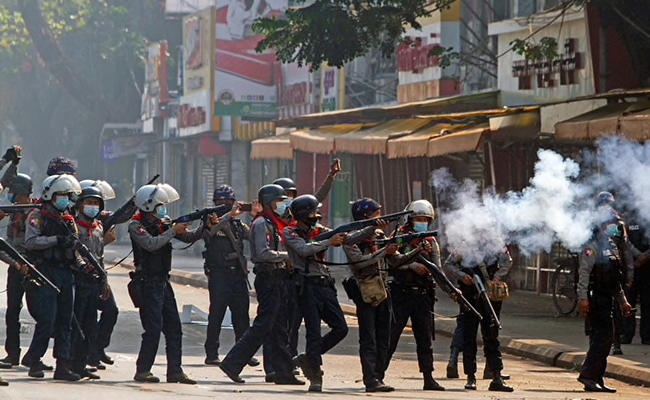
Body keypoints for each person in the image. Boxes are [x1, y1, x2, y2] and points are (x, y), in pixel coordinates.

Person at [219, 184, 304, 386]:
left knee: (280, 328)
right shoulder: (261, 224)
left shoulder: (274, 223)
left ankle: (283, 372)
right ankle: (232, 363)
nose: (282, 205)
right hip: (268, 277)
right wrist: (287, 255)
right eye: (278, 201)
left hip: (278, 276)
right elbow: (263, 253)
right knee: (263, 325)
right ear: (268, 203)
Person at [129, 183, 204, 384]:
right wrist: (172, 231)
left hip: (163, 281)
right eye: (159, 205)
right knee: (153, 329)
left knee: (174, 328)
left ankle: (175, 371)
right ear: (148, 205)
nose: (162, 209)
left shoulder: (165, 223)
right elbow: (151, 244)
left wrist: (206, 224)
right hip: (147, 283)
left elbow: (189, 237)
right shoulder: (136, 226)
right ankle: (143, 370)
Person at [283, 194, 353, 392]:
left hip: (325, 286)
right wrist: (328, 242)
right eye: (313, 212)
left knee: (341, 328)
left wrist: (371, 228)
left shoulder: (320, 231)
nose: (317, 215)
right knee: (313, 332)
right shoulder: (290, 232)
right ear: (303, 214)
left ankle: (307, 357)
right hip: (307, 287)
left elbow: (349, 238)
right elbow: (304, 249)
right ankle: (314, 374)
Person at [23, 174, 83, 381]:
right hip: (45, 271)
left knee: (65, 320)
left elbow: (74, 243)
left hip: (66, 272)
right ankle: (35, 360)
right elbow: (30, 242)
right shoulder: (37, 215)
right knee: (47, 320)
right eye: (61, 195)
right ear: (50, 195)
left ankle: (62, 365)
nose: (65, 199)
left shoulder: (68, 217)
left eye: (67, 195)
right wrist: (55, 240)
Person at [342, 198, 405, 392]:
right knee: (369, 337)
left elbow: (395, 260)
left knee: (384, 337)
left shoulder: (378, 235)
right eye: (375, 214)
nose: (380, 217)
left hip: (383, 289)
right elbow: (360, 261)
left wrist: (416, 250)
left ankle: (379, 376)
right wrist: (384, 251)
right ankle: (370, 379)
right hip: (365, 291)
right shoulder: (350, 238)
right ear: (365, 217)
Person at [385, 199, 446, 391]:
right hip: (402, 293)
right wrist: (413, 266)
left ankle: (428, 377)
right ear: (410, 219)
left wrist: (451, 290)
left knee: (424, 339)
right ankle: (377, 375)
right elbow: (392, 260)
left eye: (425, 219)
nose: (422, 222)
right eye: (418, 218)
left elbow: (437, 268)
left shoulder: (431, 241)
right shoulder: (399, 236)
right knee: (391, 335)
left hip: (423, 295)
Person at [576, 195, 633, 393]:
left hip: (607, 297)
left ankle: (596, 378)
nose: (615, 227)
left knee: (604, 338)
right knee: (603, 337)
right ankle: (588, 375)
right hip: (595, 297)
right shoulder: (591, 247)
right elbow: (584, 273)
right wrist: (583, 298)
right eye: (610, 224)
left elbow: (614, 278)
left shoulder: (612, 246)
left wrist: (623, 301)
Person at [203, 185, 261, 367]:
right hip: (219, 274)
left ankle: (243, 353)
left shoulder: (237, 224)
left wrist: (256, 217)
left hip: (237, 274)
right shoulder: (210, 221)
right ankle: (211, 353)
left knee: (241, 316)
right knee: (216, 315)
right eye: (221, 202)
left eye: (229, 202)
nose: (225, 205)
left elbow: (253, 236)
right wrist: (227, 215)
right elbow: (208, 233)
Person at [443, 248, 514, 392]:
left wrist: (497, 277)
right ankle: (471, 377)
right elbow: (448, 264)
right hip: (470, 296)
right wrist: (463, 276)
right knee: (469, 337)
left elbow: (507, 261)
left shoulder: (495, 243)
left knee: (492, 336)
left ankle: (496, 377)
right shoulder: (464, 244)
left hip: (490, 295)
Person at [70, 185, 114, 379]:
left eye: (96, 203)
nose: (92, 206)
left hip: (94, 281)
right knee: (77, 324)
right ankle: (70, 363)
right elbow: (74, 251)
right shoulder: (73, 225)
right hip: (78, 279)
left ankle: (84, 362)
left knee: (91, 324)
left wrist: (104, 280)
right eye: (89, 202)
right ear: (80, 205)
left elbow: (100, 257)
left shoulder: (98, 227)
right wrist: (82, 266)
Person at [0, 173, 36, 370]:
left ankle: (35, 355)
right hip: (16, 267)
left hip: (34, 267)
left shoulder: (36, 214)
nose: (11, 195)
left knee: (41, 312)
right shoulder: (13, 213)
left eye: (13, 191)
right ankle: (12, 353)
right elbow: (7, 243)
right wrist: (14, 263)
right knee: (12, 311)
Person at [623, 213, 650, 345]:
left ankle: (647, 335)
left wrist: (646, 256)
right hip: (632, 266)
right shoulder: (627, 220)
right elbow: (625, 242)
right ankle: (626, 334)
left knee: (648, 302)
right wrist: (638, 256)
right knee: (629, 302)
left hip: (648, 268)